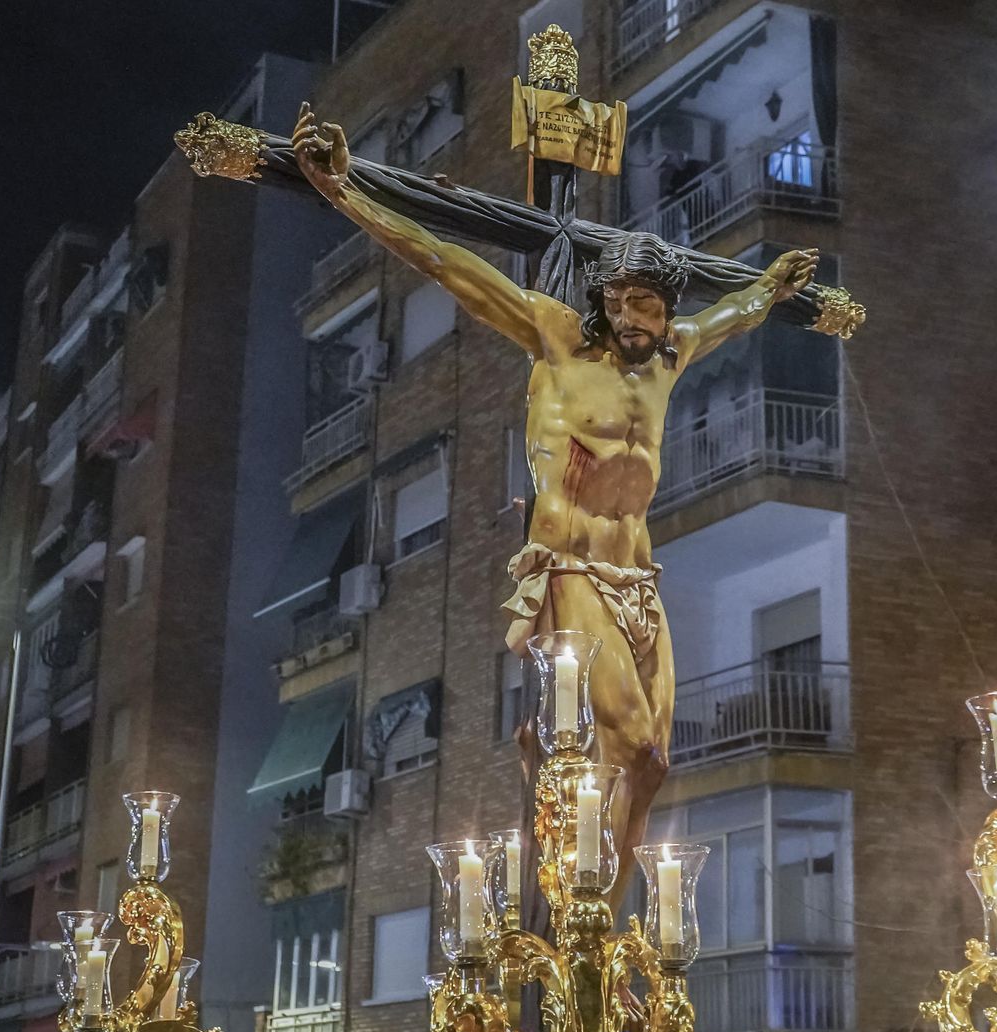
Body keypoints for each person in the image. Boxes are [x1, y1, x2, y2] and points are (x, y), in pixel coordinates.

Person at [293, 104, 819, 898]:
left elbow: (733, 315)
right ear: (605, 297)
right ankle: (580, 897)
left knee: (653, 763)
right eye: (630, 301)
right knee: (632, 742)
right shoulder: (559, 340)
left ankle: (597, 920)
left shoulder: (673, 354)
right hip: (572, 572)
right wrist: (342, 190)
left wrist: (773, 287)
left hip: (641, 582)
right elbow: (446, 263)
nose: (643, 318)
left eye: (655, 304)